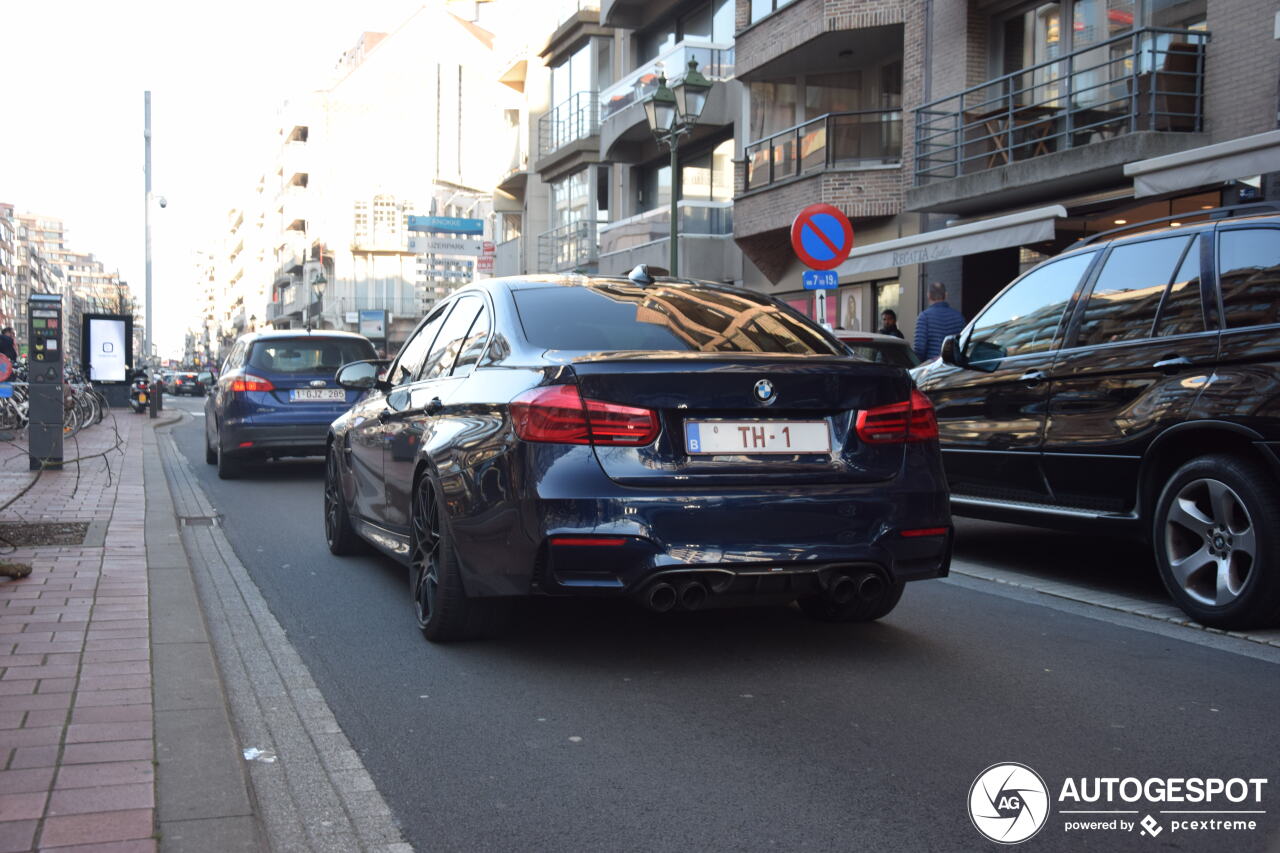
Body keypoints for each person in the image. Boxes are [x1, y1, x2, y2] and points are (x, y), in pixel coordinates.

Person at [914, 282, 966, 361]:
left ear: (928, 295)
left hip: (932, 369)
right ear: (946, 295)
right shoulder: (959, 317)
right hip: (954, 368)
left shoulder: (924, 317)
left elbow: (919, 350)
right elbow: (964, 345)